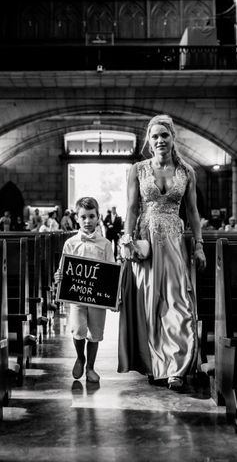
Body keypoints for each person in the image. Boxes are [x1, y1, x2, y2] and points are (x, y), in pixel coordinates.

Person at [118, 114, 206, 391]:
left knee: (177, 302)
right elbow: (132, 208)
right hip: (146, 241)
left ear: (172, 137)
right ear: (149, 139)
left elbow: (192, 211)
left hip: (175, 242)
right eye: (154, 136)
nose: (159, 141)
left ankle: (176, 368)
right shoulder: (138, 169)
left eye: (164, 135)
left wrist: (200, 245)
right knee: (151, 304)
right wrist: (126, 239)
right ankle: (155, 363)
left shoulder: (186, 171)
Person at [54, 197, 115, 384]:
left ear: (98, 218)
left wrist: (114, 294)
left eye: (91, 216)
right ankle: (80, 357)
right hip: (77, 296)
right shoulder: (70, 243)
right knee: (78, 329)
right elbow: (62, 268)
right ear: (77, 219)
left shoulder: (105, 244)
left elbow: (111, 270)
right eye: (83, 217)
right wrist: (59, 278)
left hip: (97, 298)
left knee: (95, 332)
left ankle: (90, 368)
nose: (87, 221)